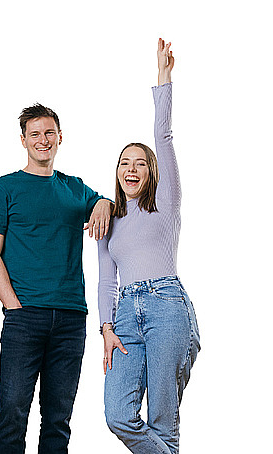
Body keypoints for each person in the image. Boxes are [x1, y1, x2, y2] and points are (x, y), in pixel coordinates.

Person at [0, 101, 112, 453]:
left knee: (57, 420)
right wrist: (14, 306)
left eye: (49, 133)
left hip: (71, 318)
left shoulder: (74, 188)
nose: (42, 140)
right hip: (25, 316)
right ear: (23, 140)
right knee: (12, 413)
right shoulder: (1, 189)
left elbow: (107, 204)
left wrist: (103, 202)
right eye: (34, 134)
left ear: (60, 137)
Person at [98, 39, 200, 454]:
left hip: (167, 305)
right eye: (124, 163)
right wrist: (106, 328)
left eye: (140, 162)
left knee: (162, 419)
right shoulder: (107, 219)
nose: (132, 168)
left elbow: (164, 134)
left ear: (152, 171)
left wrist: (163, 76)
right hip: (125, 317)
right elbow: (107, 281)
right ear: (117, 172)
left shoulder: (167, 202)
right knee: (118, 415)